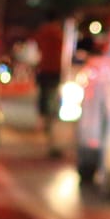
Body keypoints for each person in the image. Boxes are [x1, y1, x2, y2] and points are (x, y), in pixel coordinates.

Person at [31, 14, 65, 157]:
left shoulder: (42, 32)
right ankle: (51, 135)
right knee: (52, 102)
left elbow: (36, 50)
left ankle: (46, 128)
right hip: (56, 72)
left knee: (45, 101)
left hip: (44, 71)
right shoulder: (59, 33)